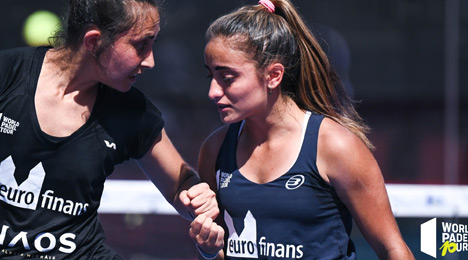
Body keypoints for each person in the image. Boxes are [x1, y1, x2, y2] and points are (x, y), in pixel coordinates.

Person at [189, 0, 415, 259]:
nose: (213, 92)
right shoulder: (215, 149)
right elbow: (220, 252)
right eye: (211, 77)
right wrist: (208, 249)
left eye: (227, 78)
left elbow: (393, 249)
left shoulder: (336, 146)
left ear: (273, 76)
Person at [0, 0, 219, 259]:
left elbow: (180, 183)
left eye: (153, 45)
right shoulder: (7, 74)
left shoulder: (133, 111)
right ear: (93, 41)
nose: (150, 62)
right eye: (140, 46)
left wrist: (196, 196)